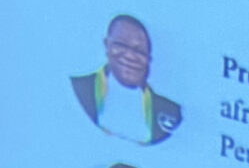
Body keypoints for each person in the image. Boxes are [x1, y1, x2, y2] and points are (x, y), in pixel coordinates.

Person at [71, 13, 182, 145]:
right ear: (106, 45)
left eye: (139, 50)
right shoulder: (79, 89)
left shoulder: (169, 111)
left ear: (149, 58)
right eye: (121, 45)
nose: (130, 55)